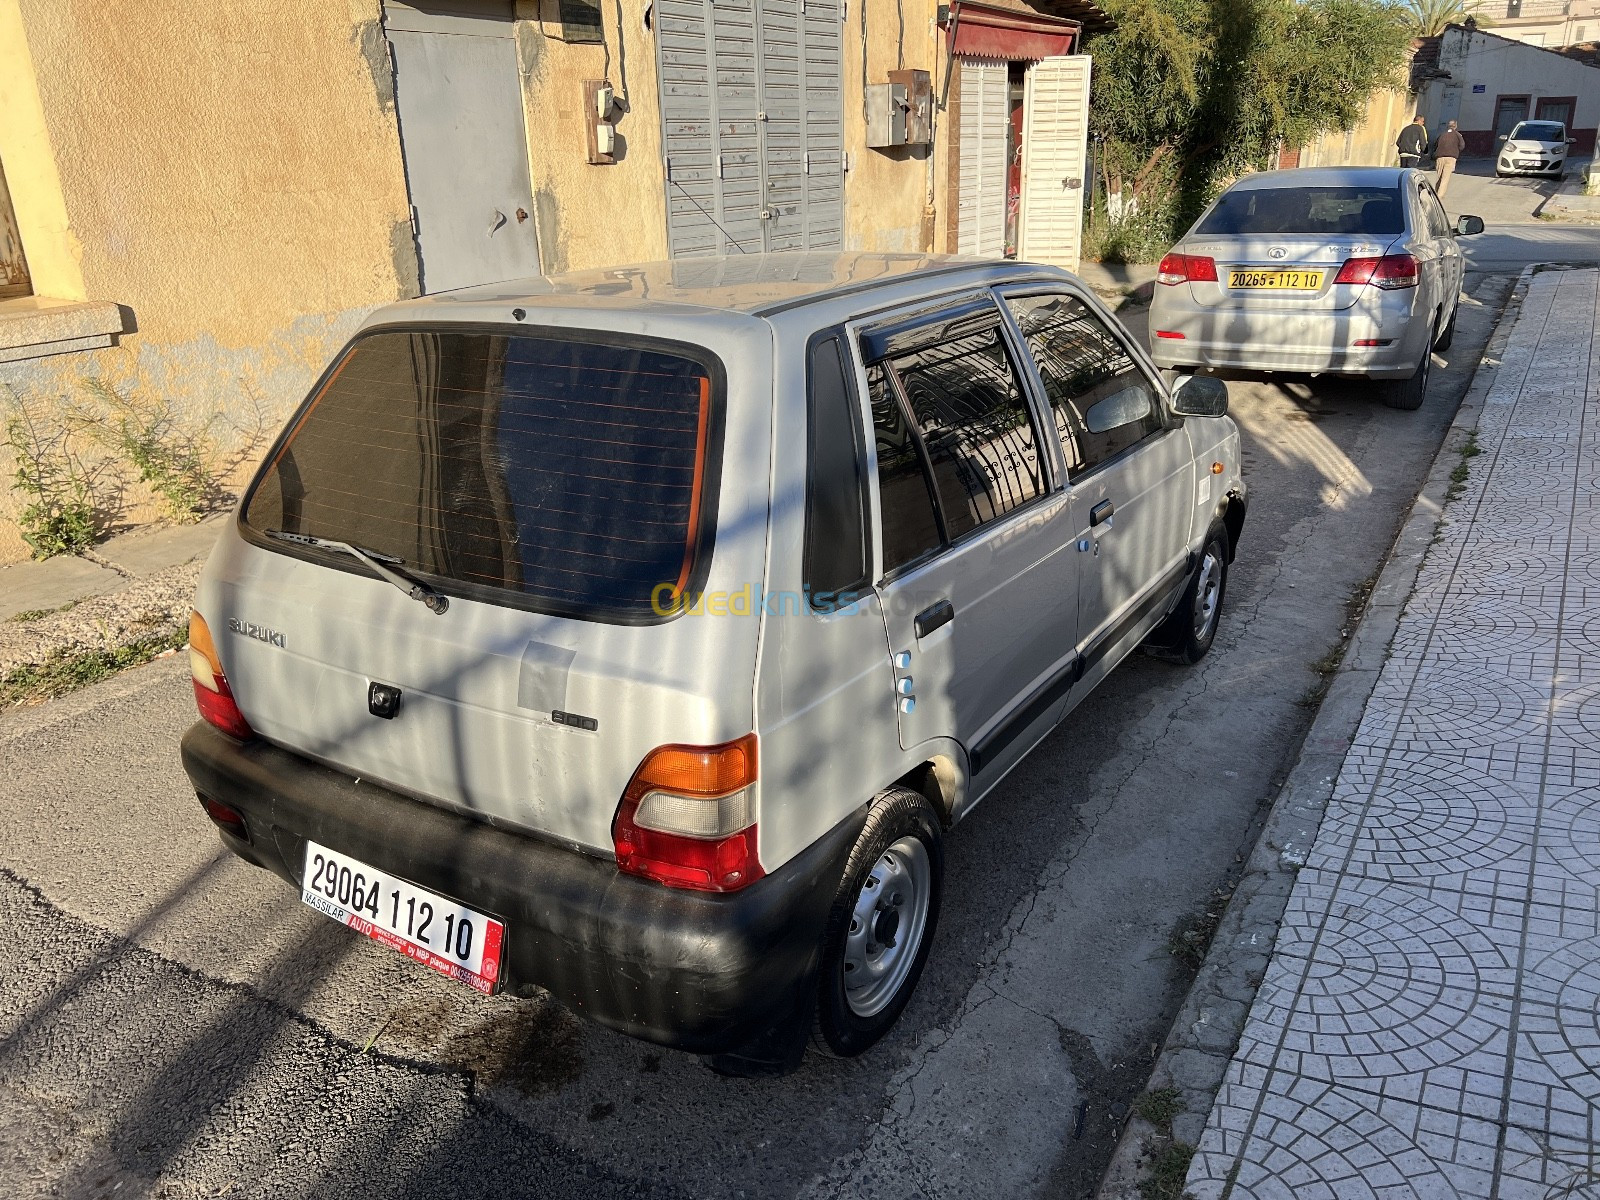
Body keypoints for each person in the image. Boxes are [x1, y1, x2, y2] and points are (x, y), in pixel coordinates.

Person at [1434, 119, 1465, 199]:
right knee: (1445, 177)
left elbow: (1435, 144)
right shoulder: (1458, 135)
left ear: (1448, 126)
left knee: (1440, 177)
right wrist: (1455, 150)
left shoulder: (1442, 134)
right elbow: (1462, 146)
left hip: (1439, 157)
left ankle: (1436, 193)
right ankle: (1439, 196)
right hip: (1451, 157)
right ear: (1456, 126)